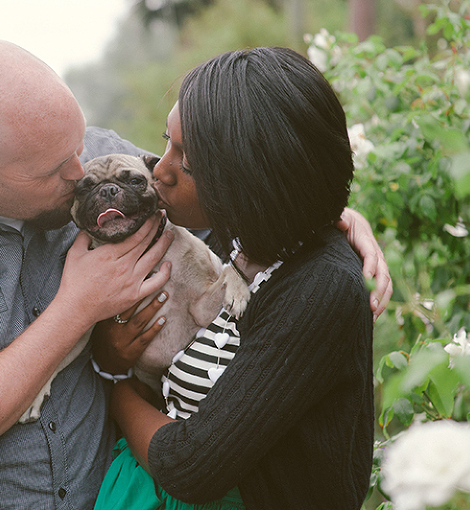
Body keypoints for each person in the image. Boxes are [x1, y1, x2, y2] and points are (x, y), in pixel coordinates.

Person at [0, 40, 389, 509]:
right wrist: (78, 307)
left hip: (110, 493)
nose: (81, 172)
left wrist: (327, 215)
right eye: (58, 170)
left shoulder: (90, 157)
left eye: (79, 146)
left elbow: (219, 190)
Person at [96, 47, 376, 510]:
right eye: (166, 142)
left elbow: (190, 466)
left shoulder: (319, 288)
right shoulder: (243, 244)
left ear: (249, 176)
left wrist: (116, 393)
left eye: (186, 161)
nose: (159, 171)